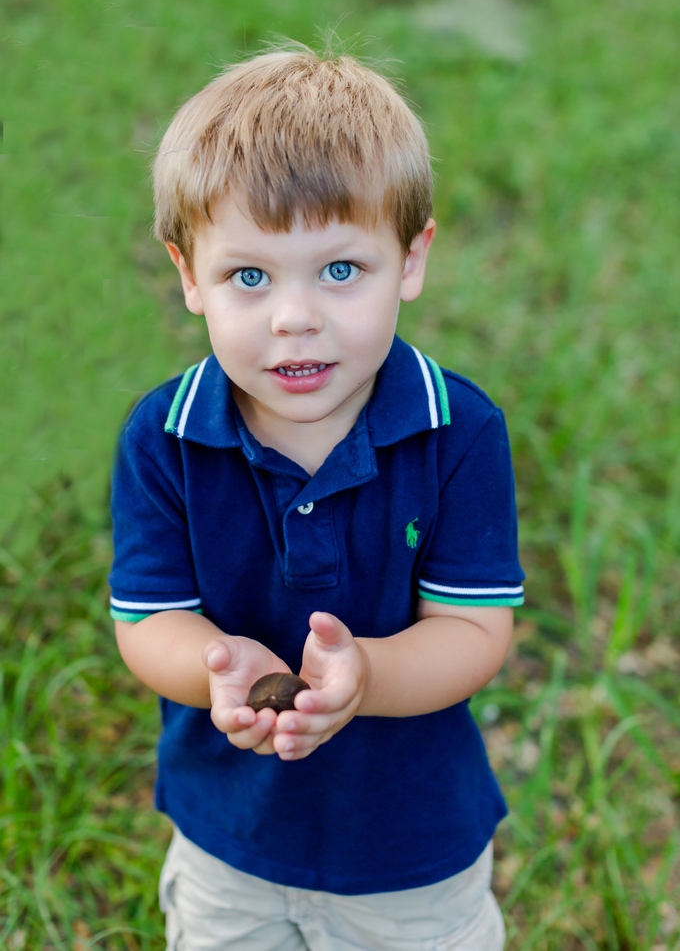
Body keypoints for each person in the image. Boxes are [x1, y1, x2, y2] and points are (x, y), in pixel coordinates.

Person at [110, 47, 525, 951]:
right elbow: (149, 621)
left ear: (411, 259)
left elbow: (474, 630)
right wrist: (218, 668)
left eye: (340, 270)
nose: (294, 316)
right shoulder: (165, 436)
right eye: (248, 277)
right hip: (233, 837)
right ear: (189, 277)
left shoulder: (458, 430)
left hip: (412, 849)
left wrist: (366, 677)